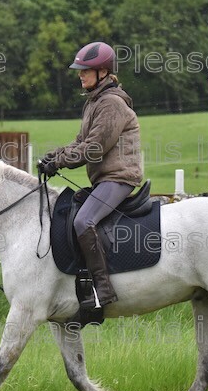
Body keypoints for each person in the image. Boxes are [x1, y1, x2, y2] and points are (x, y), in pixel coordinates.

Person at [39, 41, 143, 309]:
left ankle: (103, 289)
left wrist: (61, 162)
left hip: (119, 179)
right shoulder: (94, 103)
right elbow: (80, 141)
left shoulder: (112, 104)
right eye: (80, 70)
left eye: (85, 70)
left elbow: (94, 148)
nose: (80, 74)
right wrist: (55, 155)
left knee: (84, 221)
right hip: (105, 180)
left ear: (103, 72)